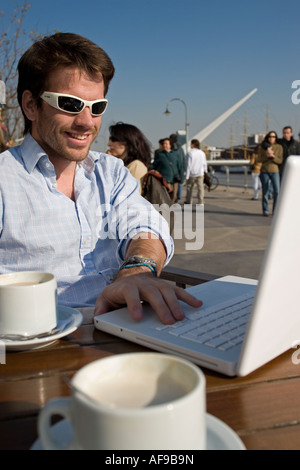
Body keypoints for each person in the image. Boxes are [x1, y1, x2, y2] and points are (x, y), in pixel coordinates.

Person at [0, 32, 202, 325]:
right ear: (31, 105)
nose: (86, 122)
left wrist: (136, 272)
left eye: (97, 108)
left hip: (128, 326)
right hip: (39, 349)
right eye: (69, 104)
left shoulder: (111, 172)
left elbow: (145, 226)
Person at [108, 122, 151, 193]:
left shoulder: (136, 166)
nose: (109, 144)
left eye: (113, 139)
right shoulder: (125, 165)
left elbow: (130, 199)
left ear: (128, 142)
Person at [258, 131, 283, 216]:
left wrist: (273, 157)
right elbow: (259, 159)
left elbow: (280, 161)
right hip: (264, 171)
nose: (272, 138)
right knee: (265, 191)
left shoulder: (279, 147)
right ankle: (265, 210)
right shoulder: (262, 147)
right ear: (267, 138)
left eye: (273, 136)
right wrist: (267, 156)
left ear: (276, 138)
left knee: (277, 191)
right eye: (270, 136)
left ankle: (275, 210)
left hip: (275, 171)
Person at [153, 137, 184, 203]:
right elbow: (154, 165)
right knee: (166, 195)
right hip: (165, 179)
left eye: (166, 144)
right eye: (164, 143)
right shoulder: (160, 155)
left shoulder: (175, 154)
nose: (165, 145)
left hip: (174, 179)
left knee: (174, 196)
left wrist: (182, 179)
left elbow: (180, 167)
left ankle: (171, 207)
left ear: (170, 145)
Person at [184, 139, 207, 204]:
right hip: (200, 173)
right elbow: (204, 163)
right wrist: (205, 172)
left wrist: (187, 176)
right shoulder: (202, 153)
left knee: (189, 188)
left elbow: (188, 165)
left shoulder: (190, 153)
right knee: (200, 188)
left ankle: (189, 201)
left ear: (193, 144)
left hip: (192, 174)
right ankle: (201, 201)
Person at [169, 133, 186, 202]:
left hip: (170, 174)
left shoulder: (169, 149)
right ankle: (178, 196)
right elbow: (183, 162)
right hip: (178, 173)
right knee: (178, 184)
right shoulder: (180, 149)